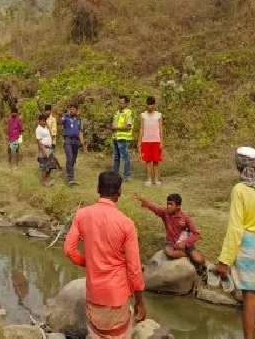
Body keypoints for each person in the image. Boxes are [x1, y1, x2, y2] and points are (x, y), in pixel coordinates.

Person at [64, 171, 146, 338]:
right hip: (117, 294)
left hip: (94, 294)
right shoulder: (126, 223)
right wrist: (139, 302)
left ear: (97, 189)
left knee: (96, 334)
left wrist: (87, 262)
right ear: (119, 193)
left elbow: (69, 250)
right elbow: (134, 268)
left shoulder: (82, 214)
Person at [216, 147, 255, 339]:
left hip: (250, 247)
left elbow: (235, 228)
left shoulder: (239, 189)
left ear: (238, 165)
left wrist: (225, 259)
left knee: (250, 299)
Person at [133, 192, 205, 269]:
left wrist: (185, 242)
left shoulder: (185, 218)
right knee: (168, 252)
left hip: (186, 244)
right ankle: (185, 255)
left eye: (171, 204)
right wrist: (142, 200)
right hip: (172, 244)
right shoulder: (165, 213)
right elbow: (154, 208)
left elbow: (197, 235)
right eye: (167, 204)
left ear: (178, 206)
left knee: (199, 259)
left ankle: (201, 266)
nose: (168, 206)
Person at [60, 104, 87, 187]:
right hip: (67, 140)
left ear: (77, 111)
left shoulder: (79, 120)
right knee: (70, 158)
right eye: (70, 109)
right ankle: (70, 179)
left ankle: (71, 177)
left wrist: (83, 145)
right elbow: (59, 122)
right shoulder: (66, 117)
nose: (71, 110)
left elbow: (80, 133)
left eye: (73, 109)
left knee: (73, 160)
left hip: (76, 141)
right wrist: (59, 115)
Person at [138, 96, 163, 187]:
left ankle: (156, 179)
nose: (150, 107)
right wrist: (139, 141)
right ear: (147, 105)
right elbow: (141, 128)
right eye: (148, 105)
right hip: (146, 141)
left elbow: (160, 129)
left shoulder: (159, 115)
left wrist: (161, 141)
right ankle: (148, 179)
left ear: (154, 105)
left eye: (152, 105)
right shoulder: (143, 115)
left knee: (156, 161)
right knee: (148, 161)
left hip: (156, 141)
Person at [110, 95, 133, 182]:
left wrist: (115, 128)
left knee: (125, 157)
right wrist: (112, 128)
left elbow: (128, 127)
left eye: (121, 103)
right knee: (116, 157)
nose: (119, 104)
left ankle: (126, 176)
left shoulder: (128, 113)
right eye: (119, 102)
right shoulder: (117, 113)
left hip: (123, 139)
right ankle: (115, 175)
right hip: (116, 138)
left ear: (126, 103)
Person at [36, 114, 54, 187]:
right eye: (42, 121)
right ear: (39, 121)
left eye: (45, 121)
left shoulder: (46, 128)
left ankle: (46, 179)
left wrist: (48, 127)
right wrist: (43, 151)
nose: (44, 122)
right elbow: (39, 141)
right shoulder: (38, 129)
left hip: (49, 147)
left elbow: (51, 136)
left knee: (49, 165)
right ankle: (43, 181)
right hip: (44, 148)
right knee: (44, 166)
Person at [44, 105, 63, 172]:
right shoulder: (43, 119)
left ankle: (57, 167)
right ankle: (55, 167)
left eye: (48, 110)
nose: (47, 112)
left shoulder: (53, 120)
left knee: (51, 156)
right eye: (46, 110)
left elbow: (54, 133)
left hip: (52, 141)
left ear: (50, 111)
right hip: (44, 141)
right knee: (47, 156)